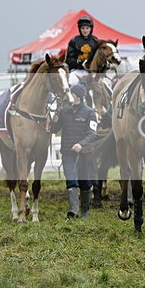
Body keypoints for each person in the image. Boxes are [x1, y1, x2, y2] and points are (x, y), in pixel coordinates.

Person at [55, 84, 99, 219]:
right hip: (68, 153)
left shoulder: (90, 113)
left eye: (72, 94)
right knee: (71, 180)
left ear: (78, 96)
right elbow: (53, 129)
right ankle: (73, 210)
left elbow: (93, 133)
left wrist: (81, 144)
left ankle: (85, 211)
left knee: (85, 183)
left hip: (84, 154)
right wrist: (55, 116)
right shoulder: (64, 111)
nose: (70, 96)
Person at [66, 15, 99, 85]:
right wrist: (78, 62)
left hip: (91, 71)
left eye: (87, 28)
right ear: (79, 29)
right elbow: (69, 59)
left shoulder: (96, 41)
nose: (85, 30)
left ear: (91, 29)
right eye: (83, 28)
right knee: (69, 82)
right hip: (77, 71)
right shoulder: (74, 41)